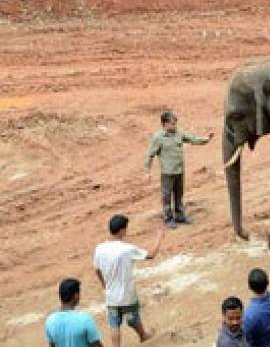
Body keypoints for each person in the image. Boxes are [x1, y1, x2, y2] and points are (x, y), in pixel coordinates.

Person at [93, 214, 164, 347]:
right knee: (133, 318)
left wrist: (104, 285)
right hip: (127, 294)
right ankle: (143, 335)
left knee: (114, 324)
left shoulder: (99, 248)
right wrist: (159, 238)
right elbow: (151, 254)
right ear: (121, 230)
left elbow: (96, 269)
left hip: (111, 295)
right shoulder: (127, 249)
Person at [144, 111, 213, 228]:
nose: (175, 126)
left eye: (175, 123)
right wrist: (147, 172)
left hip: (179, 171)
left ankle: (180, 215)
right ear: (164, 124)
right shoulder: (158, 138)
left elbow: (193, 139)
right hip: (167, 173)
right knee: (166, 196)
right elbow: (150, 154)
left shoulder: (179, 133)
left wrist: (206, 139)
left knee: (179, 194)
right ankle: (168, 218)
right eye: (172, 124)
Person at [45, 278, 103, 347]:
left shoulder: (50, 321)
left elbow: (52, 345)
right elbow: (97, 345)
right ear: (76, 296)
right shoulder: (85, 320)